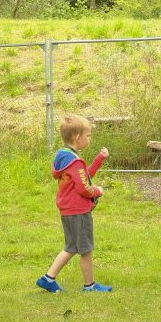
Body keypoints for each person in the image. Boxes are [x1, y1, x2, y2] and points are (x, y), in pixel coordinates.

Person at [36, 113, 113, 294]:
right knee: (85, 249)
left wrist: (99, 159)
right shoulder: (75, 161)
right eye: (88, 135)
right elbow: (84, 188)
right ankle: (90, 286)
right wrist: (98, 191)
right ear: (77, 137)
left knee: (71, 247)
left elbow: (84, 176)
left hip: (67, 210)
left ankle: (48, 278)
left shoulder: (65, 156)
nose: (90, 138)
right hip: (79, 211)